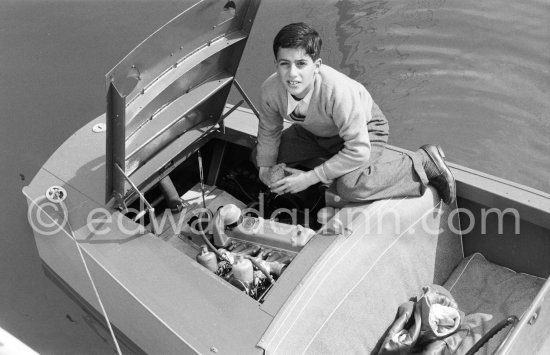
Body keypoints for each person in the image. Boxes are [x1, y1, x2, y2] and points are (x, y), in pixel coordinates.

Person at [255, 22, 455, 204]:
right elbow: (269, 131)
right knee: (260, 156)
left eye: (301, 64)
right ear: (276, 65)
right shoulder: (270, 90)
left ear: (316, 66)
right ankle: (315, 185)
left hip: (366, 129)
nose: (292, 74)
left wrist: (310, 178)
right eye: (284, 64)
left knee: (351, 187)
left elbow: (358, 150)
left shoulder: (338, 91)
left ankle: (423, 161)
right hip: (314, 131)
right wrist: (265, 170)